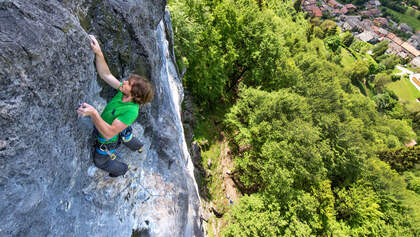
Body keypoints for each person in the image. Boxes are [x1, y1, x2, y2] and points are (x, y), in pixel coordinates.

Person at [77, 35, 155, 177]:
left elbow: (108, 133)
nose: (124, 82)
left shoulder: (131, 111)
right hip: (115, 125)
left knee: (100, 161)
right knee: (124, 132)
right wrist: (98, 52)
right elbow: (105, 75)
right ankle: (133, 141)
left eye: (128, 84)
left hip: (107, 138)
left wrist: (94, 113)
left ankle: (122, 169)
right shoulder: (123, 93)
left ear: (134, 95)